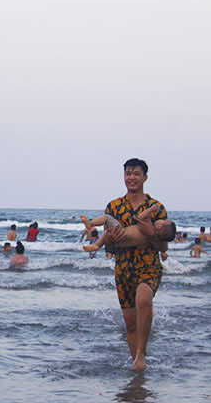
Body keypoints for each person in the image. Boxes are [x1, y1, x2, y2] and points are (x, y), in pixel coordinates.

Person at [103, 158, 169, 371]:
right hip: (123, 270)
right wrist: (110, 240)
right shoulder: (113, 207)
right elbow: (110, 251)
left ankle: (141, 355)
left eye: (136, 173)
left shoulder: (155, 207)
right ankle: (137, 364)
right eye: (128, 173)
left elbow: (163, 247)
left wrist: (151, 234)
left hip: (149, 266)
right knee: (130, 324)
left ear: (145, 178)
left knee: (144, 300)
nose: (131, 177)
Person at [80, 205, 176, 257]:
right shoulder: (149, 240)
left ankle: (91, 224)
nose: (161, 219)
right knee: (107, 234)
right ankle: (96, 245)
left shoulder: (148, 226)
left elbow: (140, 217)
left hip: (121, 232)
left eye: (163, 220)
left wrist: (151, 209)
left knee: (107, 218)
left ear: (159, 226)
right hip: (122, 244)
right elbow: (141, 246)